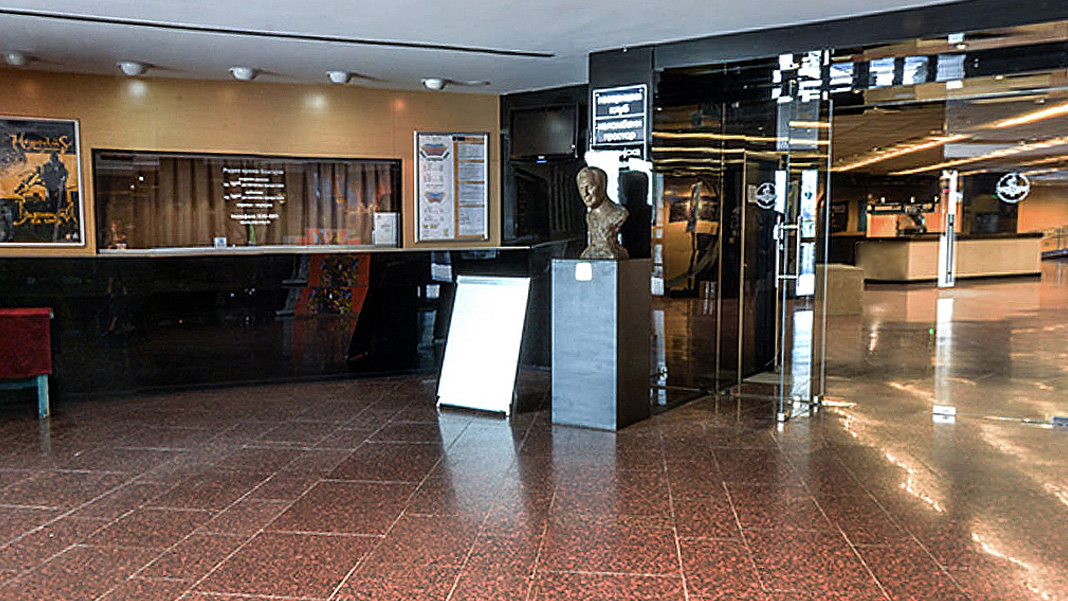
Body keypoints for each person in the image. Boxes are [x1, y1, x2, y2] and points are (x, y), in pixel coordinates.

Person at [576, 166, 629, 260]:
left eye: (589, 187)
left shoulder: (619, 213)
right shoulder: (590, 217)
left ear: (602, 187)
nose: (585, 193)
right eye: (581, 188)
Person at [37, 152, 69, 241]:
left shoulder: (61, 165)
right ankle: (51, 208)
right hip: (50, 186)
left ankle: (60, 208)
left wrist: (63, 179)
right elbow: (44, 175)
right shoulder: (46, 166)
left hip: (59, 187)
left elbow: (65, 173)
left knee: (60, 198)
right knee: (50, 198)